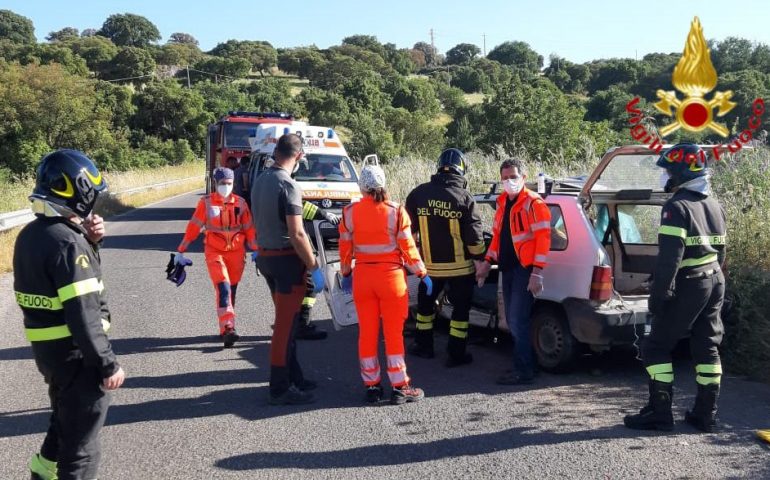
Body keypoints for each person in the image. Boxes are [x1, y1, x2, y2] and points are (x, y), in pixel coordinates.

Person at [13, 149, 125, 480]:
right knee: (81, 448)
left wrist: (90, 242)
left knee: (65, 419)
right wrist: (107, 363)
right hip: (78, 356)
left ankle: (42, 471)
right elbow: (83, 313)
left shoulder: (32, 236)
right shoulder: (68, 244)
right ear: (77, 191)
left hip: (50, 353)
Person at [624, 143, 727, 432]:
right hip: (714, 280)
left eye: (668, 170)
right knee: (707, 346)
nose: (665, 176)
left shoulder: (676, 207)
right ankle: (705, 414)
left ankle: (659, 413)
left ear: (681, 172)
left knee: (655, 347)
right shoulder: (714, 205)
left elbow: (670, 260)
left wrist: (658, 299)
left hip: (690, 282)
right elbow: (721, 253)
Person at [339, 165, 431, 405]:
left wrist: (346, 271)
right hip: (391, 279)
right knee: (393, 335)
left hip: (363, 278)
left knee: (367, 334)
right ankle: (400, 386)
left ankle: (372, 386)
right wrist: (422, 272)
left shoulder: (349, 212)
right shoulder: (396, 211)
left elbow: (345, 248)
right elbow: (408, 247)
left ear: (362, 186)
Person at [252, 134, 324, 405]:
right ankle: (280, 388)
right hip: (286, 262)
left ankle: (295, 377)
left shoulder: (261, 181)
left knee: (290, 323)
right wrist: (313, 265)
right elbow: (297, 234)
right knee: (284, 327)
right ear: (299, 156)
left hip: (266, 259)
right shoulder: (288, 185)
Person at [405, 148, 486, 367]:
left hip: (429, 270)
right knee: (460, 313)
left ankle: (424, 347)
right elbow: (475, 237)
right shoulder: (464, 197)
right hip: (461, 270)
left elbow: (406, 231)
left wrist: (412, 257)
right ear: (462, 169)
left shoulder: (418, 194)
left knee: (424, 309)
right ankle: (456, 354)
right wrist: (481, 260)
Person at [476, 158, 551, 385]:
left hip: (524, 269)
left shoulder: (533, 203)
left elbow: (543, 239)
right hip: (507, 268)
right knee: (511, 319)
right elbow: (497, 236)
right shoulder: (502, 203)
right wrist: (487, 262)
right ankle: (527, 366)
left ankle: (524, 370)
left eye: (513, 177)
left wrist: (537, 271)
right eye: (506, 178)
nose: (510, 181)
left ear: (523, 177)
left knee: (518, 320)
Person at [176, 167, 257, 348]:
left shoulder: (241, 203)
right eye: (222, 183)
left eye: (229, 183)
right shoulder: (206, 203)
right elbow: (194, 227)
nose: (226, 187)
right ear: (215, 183)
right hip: (215, 251)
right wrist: (181, 250)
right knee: (224, 287)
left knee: (231, 290)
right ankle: (228, 327)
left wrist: (256, 249)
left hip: (237, 252)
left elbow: (249, 228)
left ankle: (227, 328)